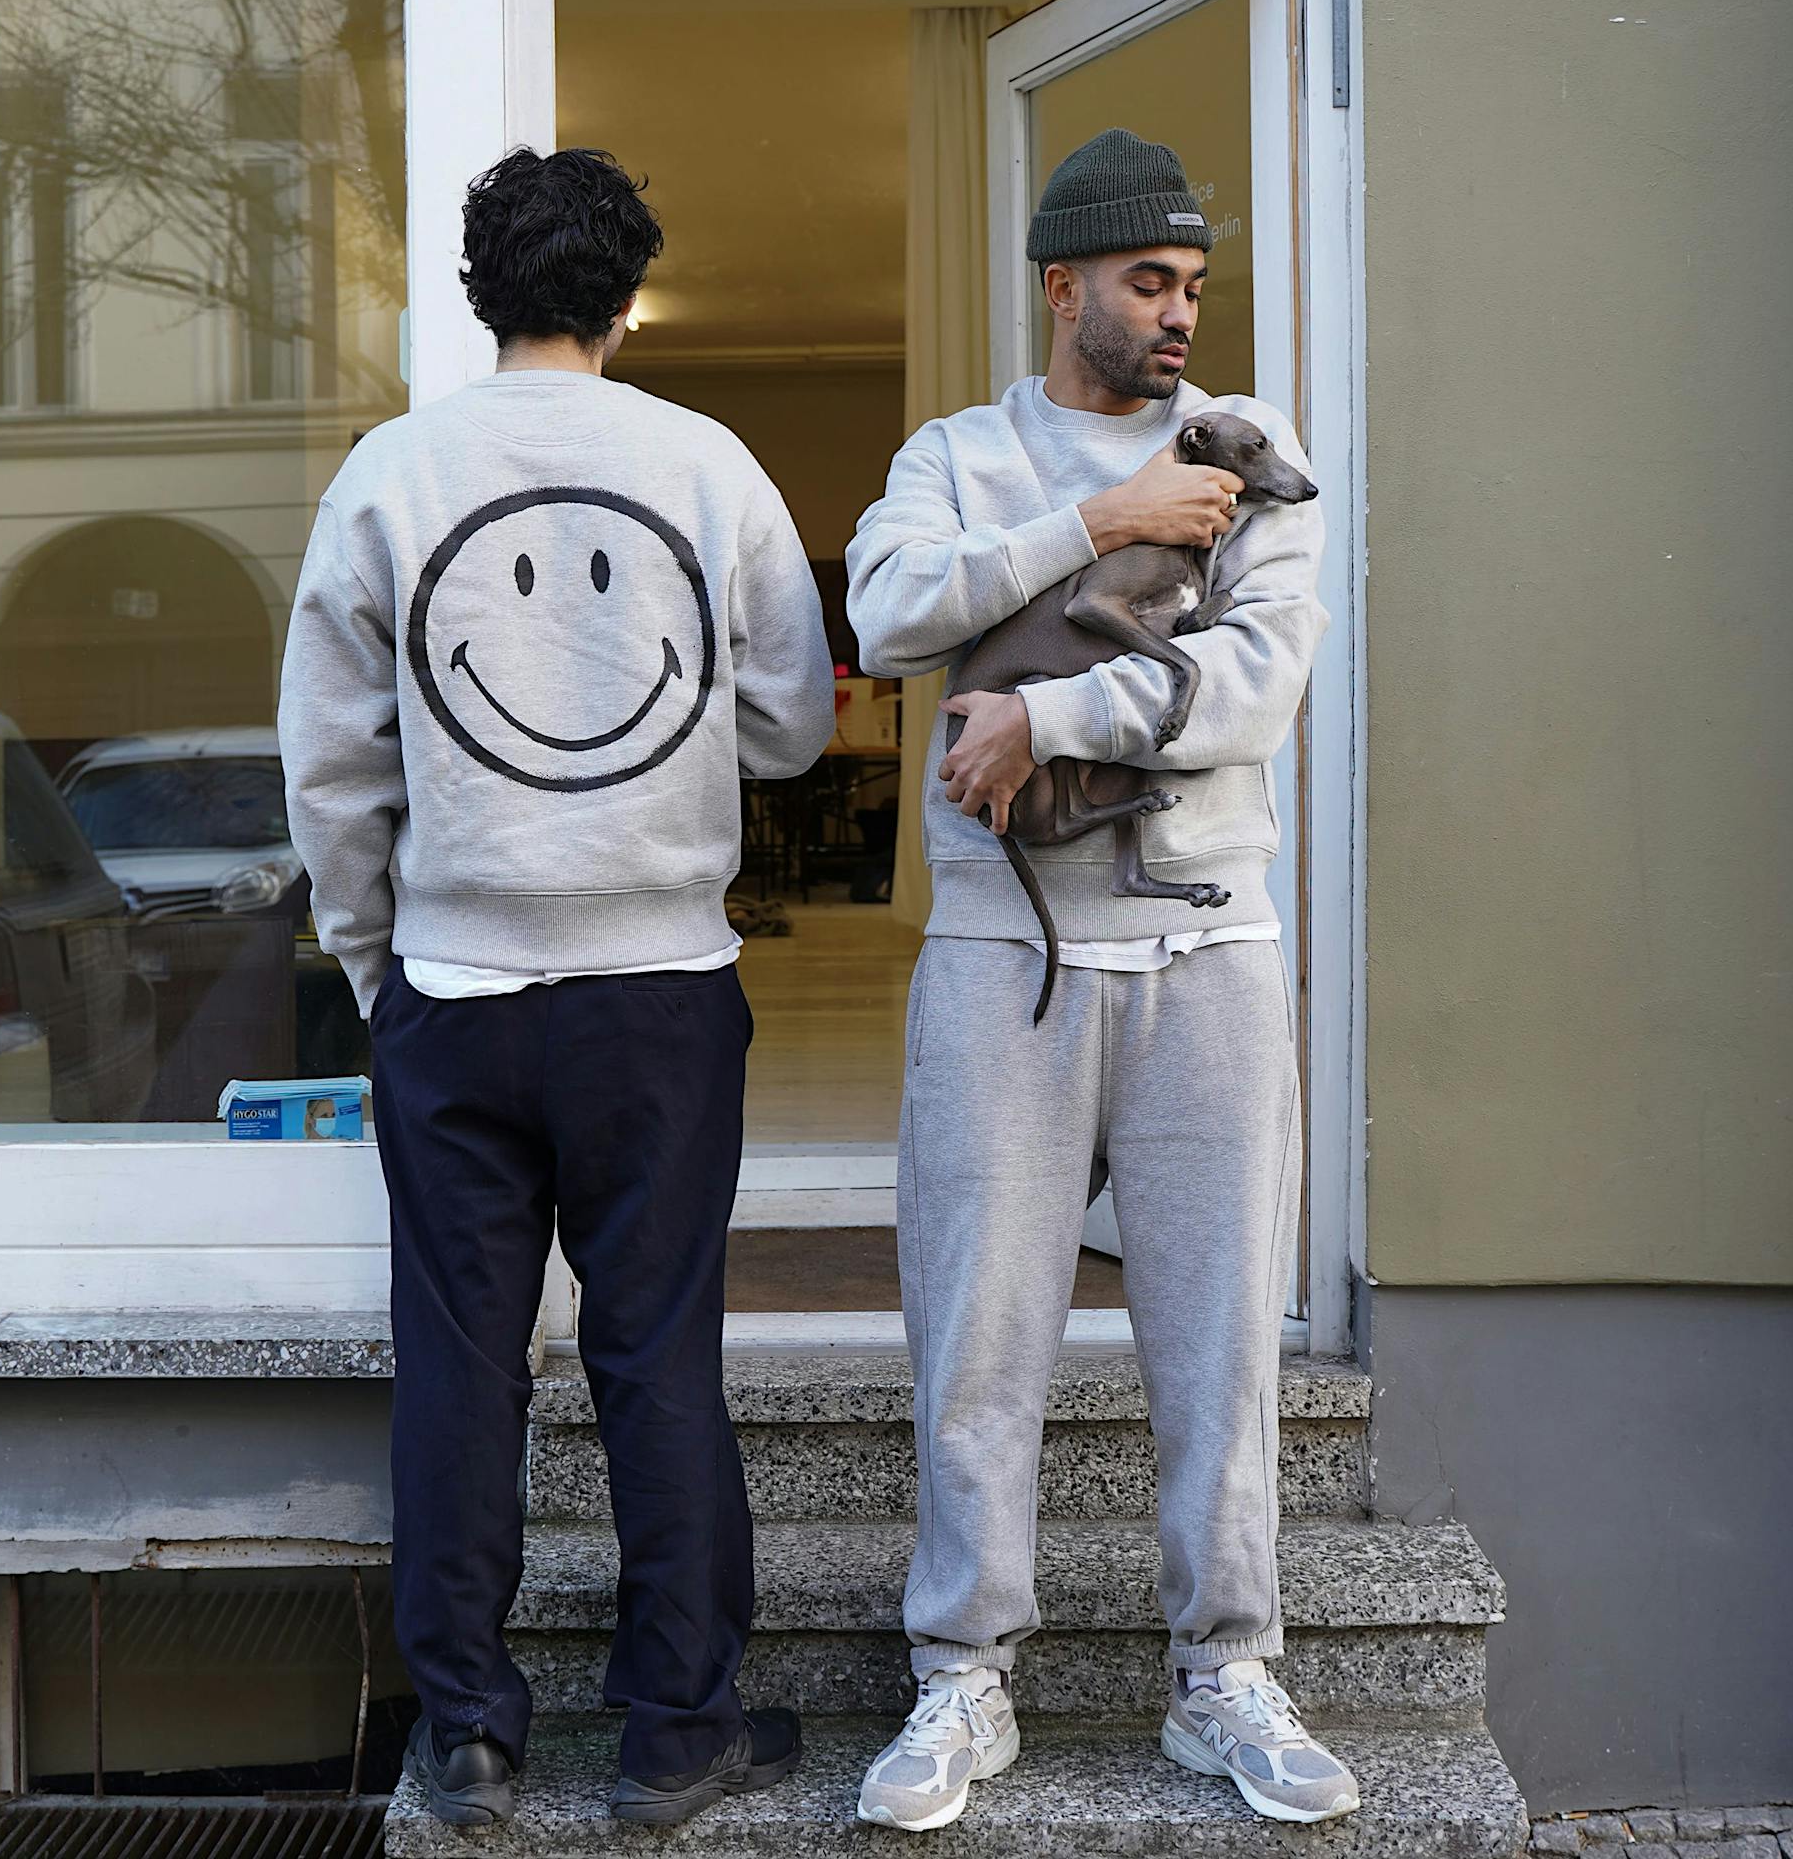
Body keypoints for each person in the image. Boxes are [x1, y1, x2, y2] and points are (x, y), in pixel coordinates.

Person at [279, 146, 834, 1827]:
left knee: (459, 1362)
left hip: (449, 990)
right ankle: (675, 1728)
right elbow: (796, 722)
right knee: (658, 1354)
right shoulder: (709, 463)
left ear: (477, 291)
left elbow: (328, 761)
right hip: (658, 986)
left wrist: (377, 959)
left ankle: (469, 1729)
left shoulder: (390, 469)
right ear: (626, 295)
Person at [844, 127, 1358, 1832]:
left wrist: (1050, 714)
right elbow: (892, 605)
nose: (1179, 313)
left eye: (1195, 285)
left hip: (1212, 949)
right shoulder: (960, 454)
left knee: (1217, 1344)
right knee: (977, 1338)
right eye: (1149, 281)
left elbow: (1257, 682)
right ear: (1063, 284)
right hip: (1007, 961)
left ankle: (1227, 1673)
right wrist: (1100, 522)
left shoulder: (1254, 455)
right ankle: (961, 1680)